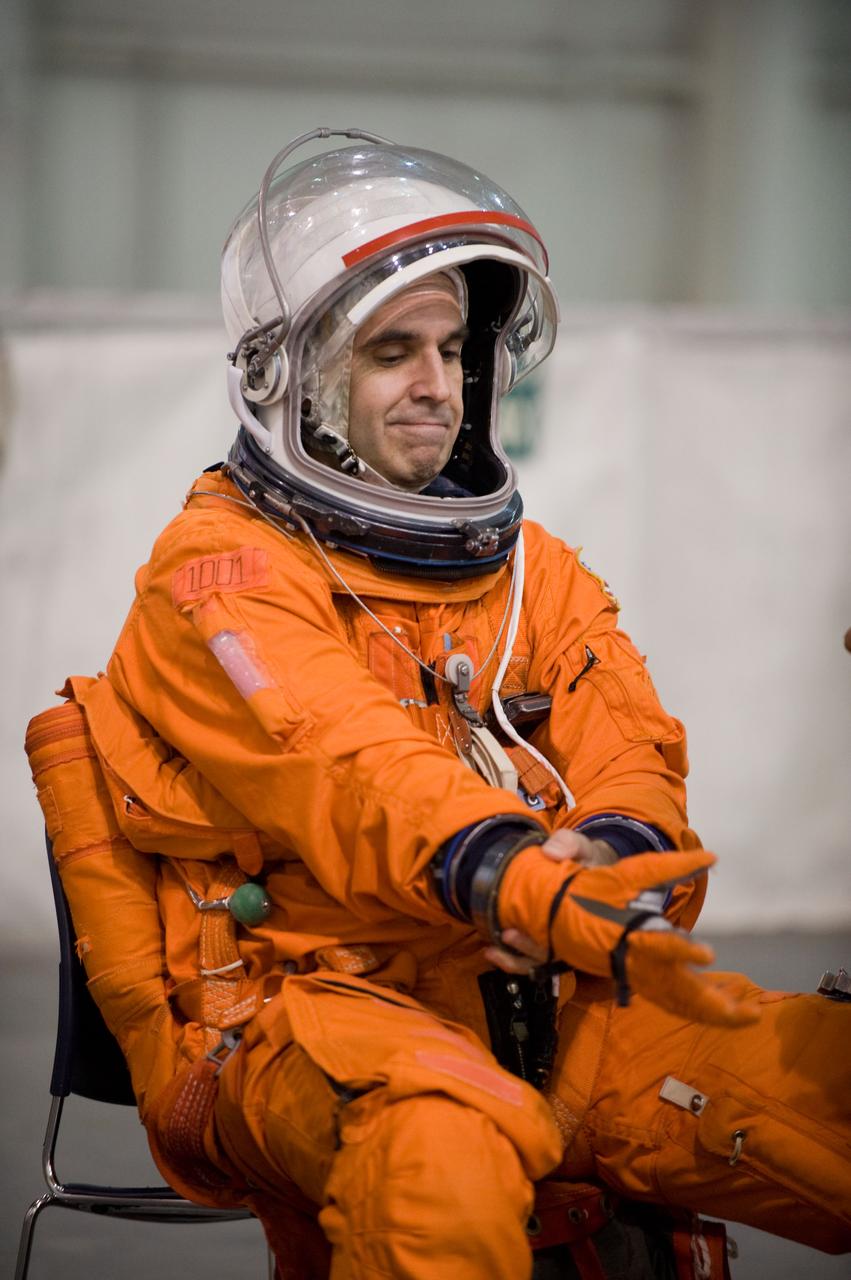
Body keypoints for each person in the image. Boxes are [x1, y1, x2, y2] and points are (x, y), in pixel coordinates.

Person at [26, 127, 851, 1280]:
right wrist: (511, 869)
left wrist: (603, 854)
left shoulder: (530, 575)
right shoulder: (216, 578)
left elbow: (629, 751)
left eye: (455, 348)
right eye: (391, 351)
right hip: (291, 1010)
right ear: (291, 376)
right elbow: (347, 764)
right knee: (441, 1144)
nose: (436, 385)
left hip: (534, 998)